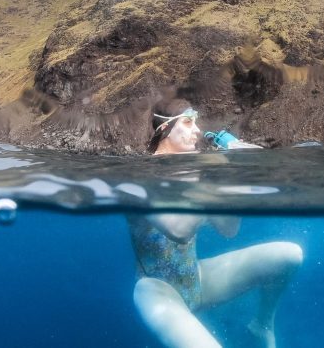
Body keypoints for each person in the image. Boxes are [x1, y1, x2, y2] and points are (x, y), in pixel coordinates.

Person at [128, 98, 303, 348]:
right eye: (188, 122)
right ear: (163, 129)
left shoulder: (196, 168)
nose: (197, 130)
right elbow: (179, 230)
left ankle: (262, 324)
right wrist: (212, 179)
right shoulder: (141, 175)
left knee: (290, 255)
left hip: (196, 278)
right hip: (156, 289)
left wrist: (236, 175)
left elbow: (229, 230)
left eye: (196, 123)